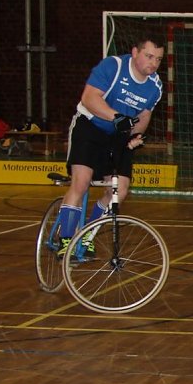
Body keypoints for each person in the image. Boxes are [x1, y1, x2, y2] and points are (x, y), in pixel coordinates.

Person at [55, 36, 164, 257]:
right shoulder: (113, 67)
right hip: (90, 127)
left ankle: (87, 234)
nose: (153, 63)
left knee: (119, 191)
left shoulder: (155, 87)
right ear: (135, 52)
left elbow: (144, 115)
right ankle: (66, 239)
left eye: (158, 59)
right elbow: (89, 98)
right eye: (149, 56)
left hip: (118, 135)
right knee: (82, 182)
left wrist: (136, 135)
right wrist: (116, 117)